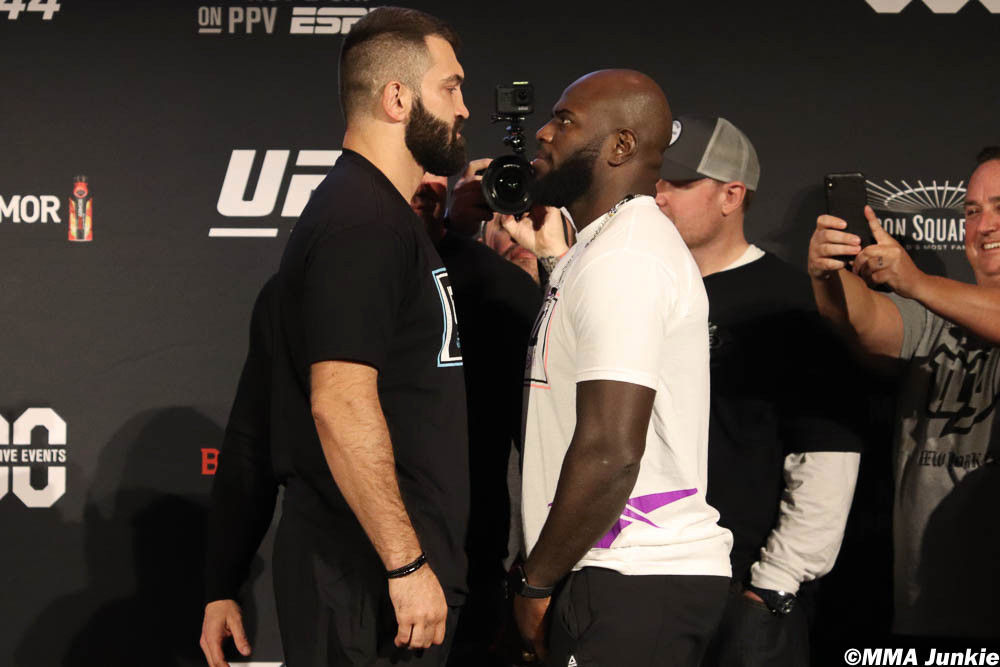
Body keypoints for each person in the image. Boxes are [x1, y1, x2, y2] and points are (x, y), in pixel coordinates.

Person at [512, 70, 733, 667]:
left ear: (621, 146)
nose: (542, 132)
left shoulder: (627, 258)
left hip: (632, 571)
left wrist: (536, 581)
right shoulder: (601, 249)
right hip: (616, 571)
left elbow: (611, 450)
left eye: (565, 120)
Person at [272, 6, 472, 664]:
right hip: (367, 583)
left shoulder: (380, 215)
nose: (464, 108)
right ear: (396, 97)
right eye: (451, 87)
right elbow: (341, 400)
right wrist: (405, 562)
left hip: (380, 579)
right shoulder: (361, 220)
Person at [656, 116, 862, 665]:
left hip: (738, 592)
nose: (658, 196)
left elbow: (827, 454)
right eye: (655, 180)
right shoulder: (638, 289)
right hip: (641, 580)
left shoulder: (791, 302)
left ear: (731, 195)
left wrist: (773, 585)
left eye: (678, 184)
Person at [807, 146, 1000, 641]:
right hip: (926, 614)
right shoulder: (935, 317)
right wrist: (829, 273)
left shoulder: (928, 291)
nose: (984, 226)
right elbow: (863, 321)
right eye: (972, 211)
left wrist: (915, 280)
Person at [410, 169, 543, 666]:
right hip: (349, 559)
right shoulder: (337, 267)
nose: (424, 184)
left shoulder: (502, 286)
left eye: (434, 170)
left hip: (469, 559)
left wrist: (540, 566)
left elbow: (541, 445)